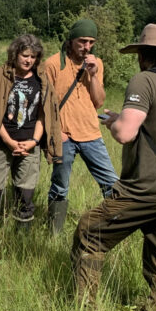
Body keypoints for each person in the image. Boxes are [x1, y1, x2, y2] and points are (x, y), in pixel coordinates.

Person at [71, 23, 156, 311]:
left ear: (144, 54)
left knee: (89, 232)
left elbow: (125, 133)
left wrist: (115, 122)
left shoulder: (144, 80)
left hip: (145, 188)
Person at [0, 34, 62, 227]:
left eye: (33, 57)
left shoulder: (41, 79)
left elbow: (45, 115)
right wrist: (10, 142)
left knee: (25, 195)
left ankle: (21, 237)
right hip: (0, 144)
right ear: (15, 54)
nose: (28, 60)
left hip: (29, 146)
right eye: (25, 55)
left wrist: (34, 141)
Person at [42, 19, 119, 233]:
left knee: (111, 184)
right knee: (60, 187)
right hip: (64, 136)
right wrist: (57, 134)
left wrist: (93, 75)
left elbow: (99, 102)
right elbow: (45, 104)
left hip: (91, 133)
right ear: (71, 39)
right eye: (82, 41)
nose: (86, 47)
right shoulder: (52, 64)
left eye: (91, 42)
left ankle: (115, 229)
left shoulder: (97, 64)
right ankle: (54, 233)